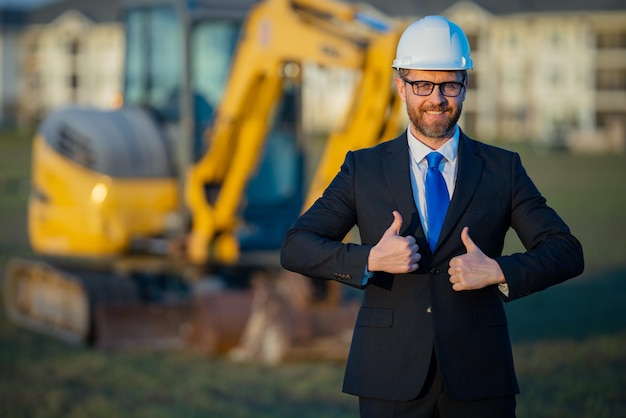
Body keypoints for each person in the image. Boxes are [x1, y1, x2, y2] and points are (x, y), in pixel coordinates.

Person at [280, 15, 584, 418]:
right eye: (423, 84)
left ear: (465, 86)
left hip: (479, 377)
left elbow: (566, 252)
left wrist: (498, 271)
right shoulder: (363, 169)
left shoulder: (502, 169)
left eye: (449, 84)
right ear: (401, 86)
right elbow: (295, 246)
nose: (437, 98)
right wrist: (368, 259)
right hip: (388, 377)